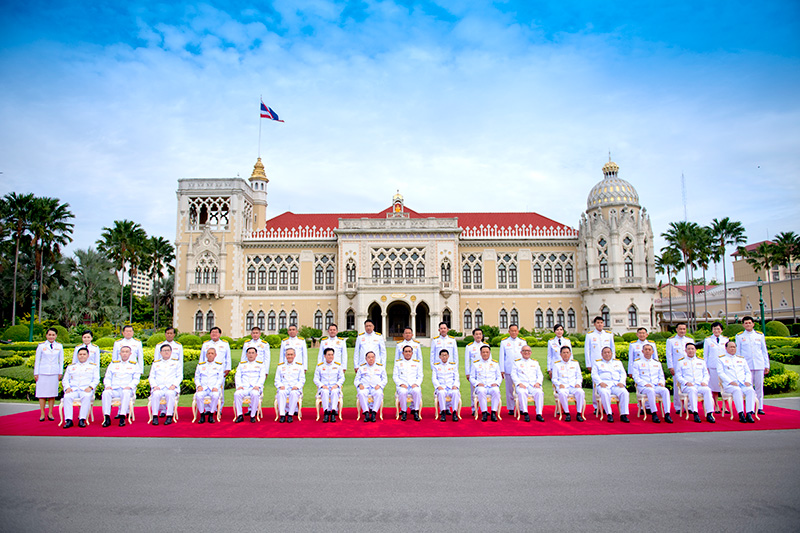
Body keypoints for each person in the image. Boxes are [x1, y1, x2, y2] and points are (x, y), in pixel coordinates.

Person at [735, 316, 769, 415]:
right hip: (747, 366)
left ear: (753, 324)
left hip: (759, 364)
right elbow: (738, 352)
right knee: (747, 387)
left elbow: (764, 351)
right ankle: (750, 408)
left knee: (759, 387)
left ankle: (760, 407)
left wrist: (766, 365)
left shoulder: (759, 335)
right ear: (743, 325)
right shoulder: (739, 336)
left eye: (749, 323)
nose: (748, 325)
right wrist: (739, 366)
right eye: (746, 323)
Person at [632, 343, 673, 423]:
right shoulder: (637, 363)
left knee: (665, 390)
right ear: (642, 351)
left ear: (652, 352)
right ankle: (654, 413)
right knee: (650, 391)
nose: (647, 351)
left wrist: (661, 382)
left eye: (649, 350)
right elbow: (636, 377)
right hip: (644, 387)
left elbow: (661, 376)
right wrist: (645, 384)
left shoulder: (657, 363)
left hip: (655, 385)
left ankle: (667, 413)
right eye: (646, 350)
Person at [717, 341, 757, 423]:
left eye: (734, 347)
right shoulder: (721, 359)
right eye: (730, 347)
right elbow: (720, 373)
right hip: (730, 385)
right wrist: (730, 381)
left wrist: (747, 381)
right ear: (726, 348)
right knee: (737, 390)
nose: (732, 349)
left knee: (750, 390)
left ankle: (749, 413)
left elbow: (747, 372)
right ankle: (741, 413)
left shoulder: (741, 359)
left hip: (742, 383)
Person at [675, 343, 715, 423]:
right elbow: (678, 376)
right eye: (689, 349)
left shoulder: (701, 361)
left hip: (699, 385)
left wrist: (704, 381)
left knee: (707, 390)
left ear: (695, 350)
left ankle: (709, 413)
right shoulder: (681, 362)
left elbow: (706, 374)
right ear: (685, 350)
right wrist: (686, 382)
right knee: (692, 390)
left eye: (692, 349)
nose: (691, 351)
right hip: (688, 386)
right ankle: (695, 413)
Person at [61, 346, 100, 428]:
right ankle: (68, 420)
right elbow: (65, 379)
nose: (82, 356)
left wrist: (90, 387)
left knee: (86, 396)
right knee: (67, 397)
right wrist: (67, 388)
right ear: (77, 355)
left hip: (85, 389)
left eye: (84, 354)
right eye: (80, 354)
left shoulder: (93, 367)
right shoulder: (71, 367)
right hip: (73, 389)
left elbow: (96, 379)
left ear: (88, 356)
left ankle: (82, 419)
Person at [101, 346, 140, 427]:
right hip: (114, 389)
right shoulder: (113, 364)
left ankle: (122, 416)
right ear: (120, 353)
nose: (124, 354)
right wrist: (108, 385)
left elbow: (136, 379)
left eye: (126, 352)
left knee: (125, 392)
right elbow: (107, 377)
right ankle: (107, 417)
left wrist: (130, 386)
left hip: (126, 389)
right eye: (123, 352)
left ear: (130, 354)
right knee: (106, 393)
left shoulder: (134, 365)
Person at [592, 346, 630, 423]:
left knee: (624, 392)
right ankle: (609, 414)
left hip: (616, 384)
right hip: (604, 384)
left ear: (612, 353)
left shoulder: (618, 362)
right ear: (602, 354)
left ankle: (623, 414)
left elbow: (623, 373)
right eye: (605, 353)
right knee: (604, 393)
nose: (607, 354)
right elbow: (594, 375)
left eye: (608, 352)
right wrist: (600, 382)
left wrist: (622, 382)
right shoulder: (597, 363)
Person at [34, 327, 63, 422]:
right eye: (49, 335)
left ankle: (50, 413)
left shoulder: (59, 346)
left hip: (54, 372)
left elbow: (61, 360)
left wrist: (60, 372)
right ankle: (42, 413)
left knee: (52, 394)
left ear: (56, 336)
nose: (51, 337)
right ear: (46, 335)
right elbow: (37, 360)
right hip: (43, 372)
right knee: (42, 394)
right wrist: (36, 373)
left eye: (53, 335)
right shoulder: (41, 346)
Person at [154, 327, 184, 417]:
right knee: (159, 391)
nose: (169, 335)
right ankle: (163, 410)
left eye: (171, 333)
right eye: (167, 333)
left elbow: (180, 361)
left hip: (173, 371)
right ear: (165, 334)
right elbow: (156, 359)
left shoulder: (178, 346)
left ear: (174, 334)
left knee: (170, 392)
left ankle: (170, 412)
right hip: (161, 370)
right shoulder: (159, 345)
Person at [149, 344, 181, 425]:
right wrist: (154, 386)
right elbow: (151, 377)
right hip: (159, 387)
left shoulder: (176, 362)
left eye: (168, 350)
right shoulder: (156, 363)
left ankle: (169, 416)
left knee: (170, 394)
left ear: (171, 352)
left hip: (171, 387)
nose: (166, 352)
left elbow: (179, 376)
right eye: (164, 351)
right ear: (160, 352)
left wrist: (174, 385)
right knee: (155, 394)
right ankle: (155, 416)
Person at [552, 346, 586, 422]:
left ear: (570, 354)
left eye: (567, 352)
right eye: (564, 353)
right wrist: (559, 384)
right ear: (560, 354)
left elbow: (579, 376)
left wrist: (578, 383)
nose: (566, 354)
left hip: (573, 386)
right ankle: (567, 413)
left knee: (580, 392)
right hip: (563, 386)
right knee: (562, 393)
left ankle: (579, 413)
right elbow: (554, 378)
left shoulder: (575, 363)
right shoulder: (557, 365)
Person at [498, 324, 526, 416]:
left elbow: (525, 356)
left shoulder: (522, 342)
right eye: (512, 331)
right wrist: (502, 369)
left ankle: (521, 408)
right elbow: (502, 357)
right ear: (509, 332)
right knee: (509, 389)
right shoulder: (504, 342)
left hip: (520, 370)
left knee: (520, 389)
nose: (514, 332)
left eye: (515, 331)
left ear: (518, 331)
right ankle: (510, 407)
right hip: (509, 369)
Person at [666, 322, 694, 411]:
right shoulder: (671, 341)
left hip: (688, 368)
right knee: (677, 386)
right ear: (676, 330)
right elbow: (669, 355)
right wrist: (670, 367)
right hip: (676, 367)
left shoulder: (690, 340)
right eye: (680, 329)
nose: (682, 331)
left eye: (684, 329)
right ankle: (678, 407)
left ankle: (689, 406)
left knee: (689, 385)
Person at [512, 345, 545, 422]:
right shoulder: (516, 363)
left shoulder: (535, 362)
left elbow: (540, 375)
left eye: (528, 351)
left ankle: (539, 414)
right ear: (521, 352)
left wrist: (538, 383)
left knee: (539, 392)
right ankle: (525, 413)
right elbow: (513, 374)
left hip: (533, 385)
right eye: (524, 351)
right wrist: (519, 383)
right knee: (522, 392)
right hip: (522, 384)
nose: (526, 352)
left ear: (531, 352)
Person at [234, 347, 267, 423]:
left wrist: (258, 386)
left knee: (255, 394)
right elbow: (238, 376)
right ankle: (239, 415)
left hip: (255, 387)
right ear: (246, 354)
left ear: (256, 355)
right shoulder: (242, 364)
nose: (251, 355)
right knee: (237, 394)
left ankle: (253, 415)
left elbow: (262, 376)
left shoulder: (260, 364)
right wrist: (239, 386)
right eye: (249, 353)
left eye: (253, 353)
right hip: (244, 387)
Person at [193, 347, 225, 424]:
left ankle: (211, 414)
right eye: (209, 353)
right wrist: (199, 386)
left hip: (213, 388)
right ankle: (202, 415)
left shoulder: (219, 366)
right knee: (199, 395)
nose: (210, 355)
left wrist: (216, 387)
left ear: (215, 355)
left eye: (212, 353)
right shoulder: (200, 365)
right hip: (203, 388)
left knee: (215, 395)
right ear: (206, 355)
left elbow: (220, 378)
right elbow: (197, 377)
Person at [471, 345, 502, 422]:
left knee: (496, 391)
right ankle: (484, 412)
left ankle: (493, 412)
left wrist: (496, 383)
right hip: (481, 386)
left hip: (491, 385)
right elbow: (472, 377)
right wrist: (477, 383)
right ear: (480, 353)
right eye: (483, 352)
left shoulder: (495, 363)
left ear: (489, 353)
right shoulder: (475, 364)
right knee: (481, 391)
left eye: (487, 352)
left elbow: (499, 377)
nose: (485, 354)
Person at [313, 347, 345, 423]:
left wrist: (337, 385)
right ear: (324, 356)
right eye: (329, 355)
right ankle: (326, 412)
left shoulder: (338, 366)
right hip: (324, 387)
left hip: (334, 386)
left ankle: (333, 412)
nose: (330, 356)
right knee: (325, 392)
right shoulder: (320, 366)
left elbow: (342, 378)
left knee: (334, 391)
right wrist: (322, 385)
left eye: (332, 355)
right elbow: (316, 379)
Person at [355, 351, 387, 422]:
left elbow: (385, 379)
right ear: (366, 359)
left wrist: (380, 385)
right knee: (361, 393)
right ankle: (366, 412)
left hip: (375, 387)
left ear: (375, 358)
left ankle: (374, 413)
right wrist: (359, 384)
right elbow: (356, 380)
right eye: (369, 357)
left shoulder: (380, 367)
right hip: (365, 387)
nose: (371, 359)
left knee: (379, 393)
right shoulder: (362, 367)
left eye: (372, 357)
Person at [275, 348, 305, 423]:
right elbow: (277, 380)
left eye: (291, 354)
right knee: (281, 392)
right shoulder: (280, 366)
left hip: (294, 387)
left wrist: (297, 386)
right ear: (285, 355)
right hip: (284, 387)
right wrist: (280, 386)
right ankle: (282, 415)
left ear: (294, 355)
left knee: (294, 393)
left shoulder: (299, 366)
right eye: (288, 354)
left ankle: (290, 415)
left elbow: (302, 380)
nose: (290, 356)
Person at [393, 345, 423, 421]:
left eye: (409, 351)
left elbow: (420, 376)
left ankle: (416, 411)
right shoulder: (398, 363)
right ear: (403, 353)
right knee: (403, 392)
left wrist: (416, 384)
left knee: (417, 391)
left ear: (412, 353)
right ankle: (404, 411)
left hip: (413, 385)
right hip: (403, 385)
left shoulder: (417, 363)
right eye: (406, 351)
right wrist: (401, 384)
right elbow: (395, 376)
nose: (408, 353)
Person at [703, 322, 728, 409]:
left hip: (724, 367)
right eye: (714, 329)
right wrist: (706, 367)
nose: (716, 331)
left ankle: (724, 406)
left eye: (718, 329)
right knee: (714, 386)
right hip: (712, 366)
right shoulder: (708, 340)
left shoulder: (726, 340)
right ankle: (716, 405)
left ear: (721, 330)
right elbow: (705, 355)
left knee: (724, 386)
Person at [464, 328, 488, 414]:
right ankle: (474, 409)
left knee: (485, 390)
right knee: (473, 392)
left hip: (485, 372)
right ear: (473, 336)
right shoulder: (469, 347)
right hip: (474, 373)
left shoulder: (486, 346)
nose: (478, 336)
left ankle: (484, 409)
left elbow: (489, 360)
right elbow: (467, 361)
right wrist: (468, 373)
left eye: (480, 334)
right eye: (476, 334)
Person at [432, 349, 460, 422]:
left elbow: (456, 377)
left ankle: (454, 412)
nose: (444, 357)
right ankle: (443, 412)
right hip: (441, 387)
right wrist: (438, 386)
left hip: (451, 387)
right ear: (439, 357)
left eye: (445, 355)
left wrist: (455, 385)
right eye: (442, 355)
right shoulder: (436, 366)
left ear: (448, 356)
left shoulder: (453, 365)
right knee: (441, 393)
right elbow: (434, 378)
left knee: (455, 392)